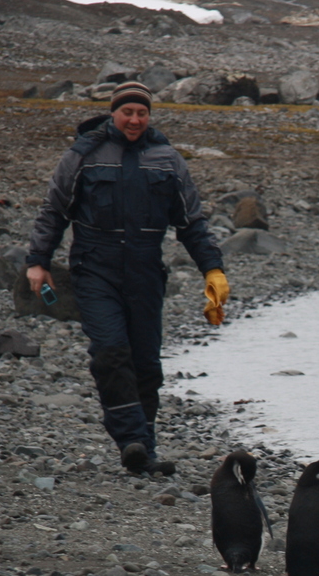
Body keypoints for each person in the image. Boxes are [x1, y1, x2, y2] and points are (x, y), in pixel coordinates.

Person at [25, 80, 230, 476]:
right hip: (94, 270)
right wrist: (38, 260)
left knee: (147, 364)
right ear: (113, 113)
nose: (135, 120)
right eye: (127, 112)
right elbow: (54, 211)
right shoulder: (83, 154)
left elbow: (192, 223)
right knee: (110, 352)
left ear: (149, 115)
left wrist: (213, 269)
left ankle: (144, 451)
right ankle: (131, 440)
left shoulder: (167, 159)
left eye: (142, 113)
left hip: (146, 272)